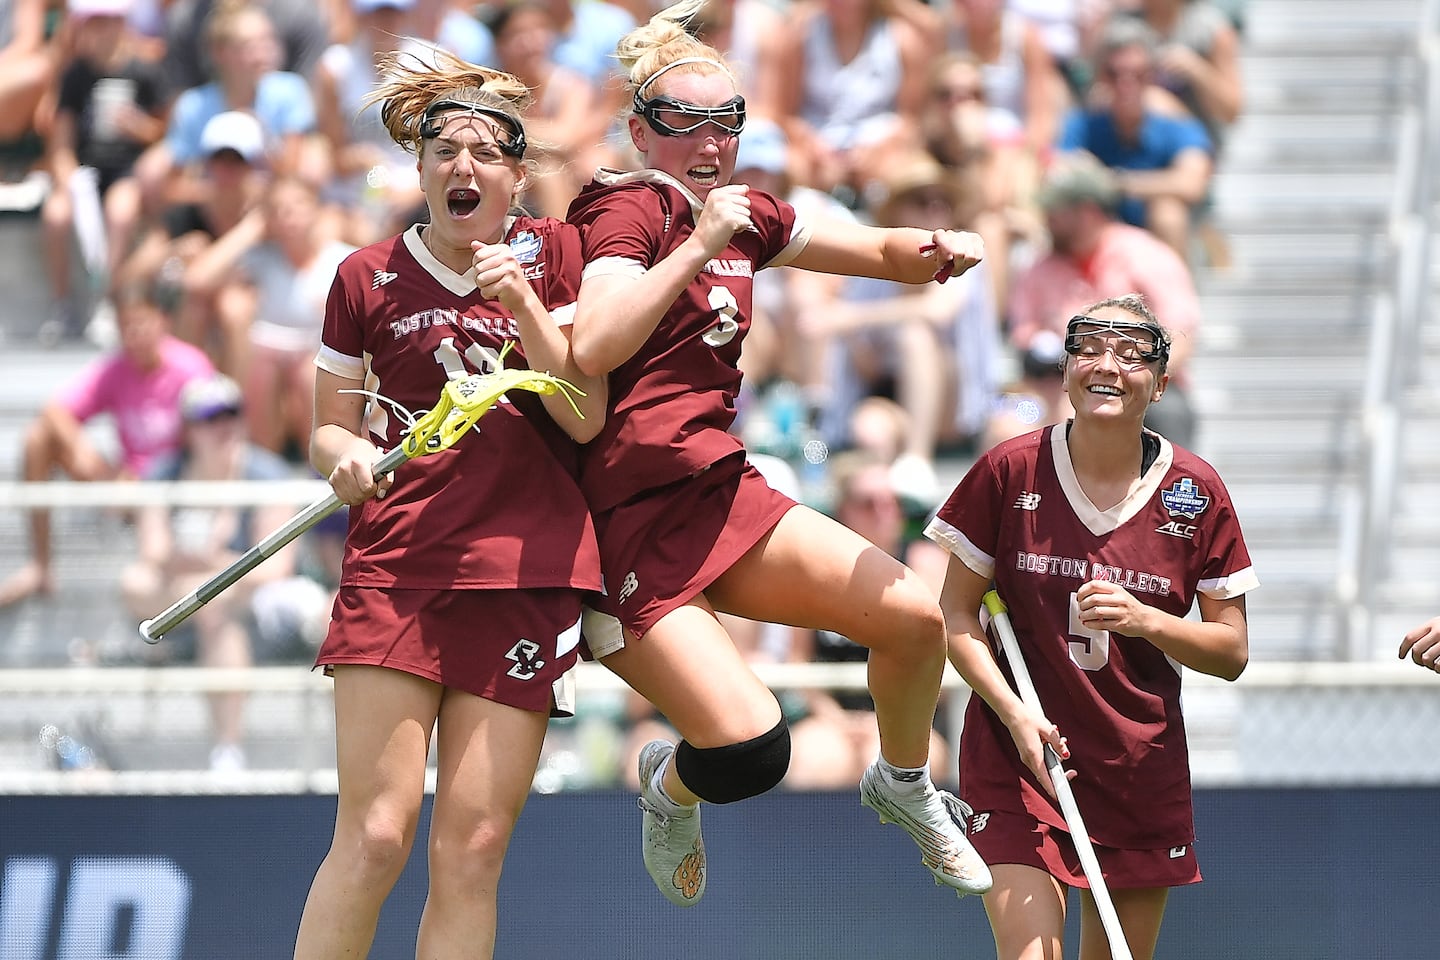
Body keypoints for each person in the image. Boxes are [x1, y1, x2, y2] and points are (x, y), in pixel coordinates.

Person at [564, 0, 992, 908]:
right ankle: (667, 786)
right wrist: (702, 244)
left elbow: (877, 250)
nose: (709, 140)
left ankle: (903, 782)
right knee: (753, 754)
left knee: (913, 621)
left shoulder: (744, 214)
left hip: (718, 491)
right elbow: (595, 342)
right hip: (623, 526)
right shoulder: (627, 207)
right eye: (683, 121)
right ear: (640, 132)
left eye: (727, 121)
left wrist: (934, 249)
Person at [292, 48, 606, 960]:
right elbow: (327, 431)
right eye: (444, 151)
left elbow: (584, 419)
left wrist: (525, 306)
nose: (463, 168)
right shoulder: (365, 276)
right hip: (398, 571)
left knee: (472, 849)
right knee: (375, 835)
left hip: (524, 575)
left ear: (516, 175)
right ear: (421, 167)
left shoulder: (560, 257)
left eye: (485, 154)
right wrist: (346, 455)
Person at [925, 294, 1256, 960]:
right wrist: (1015, 714)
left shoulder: (1197, 491)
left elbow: (1231, 651)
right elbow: (956, 613)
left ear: (1160, 385)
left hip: (1136, 769)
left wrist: (1146, 621)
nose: (1107, 365)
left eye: (1131, 355)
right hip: (1021, 759)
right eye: (1090, 349)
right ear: (1068, 368)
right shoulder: (1008, 469)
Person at [119, 372, 299, 771]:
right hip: (195, 594)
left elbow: (277, 569)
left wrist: (203, 564)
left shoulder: (267, 474)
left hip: (251, 606)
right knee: (134, 582)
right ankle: (225, 749)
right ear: (188, 428)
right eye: (210, 417)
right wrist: (217, 568)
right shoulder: (164, 473)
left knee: (217, 611)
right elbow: (152, 553)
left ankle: (228, 748)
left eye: (231, 413)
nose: (223, 426)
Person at [0, 273, 214, 608]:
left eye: (141, 323)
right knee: (37, 439)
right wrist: (96, 463)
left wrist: (152, 480)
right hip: (128, 484)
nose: (134, 334)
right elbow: (55, 410)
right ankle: (40, 564)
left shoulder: (192, 368)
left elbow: (215, 432)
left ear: (163, 320)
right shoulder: (117, 368)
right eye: (126, 326)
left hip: (181, 480)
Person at [1008, 149, 1201, 447]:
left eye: (1055, 211)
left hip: (1135, 391)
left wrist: (1123, 381)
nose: (1046, 219)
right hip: (1046, 393)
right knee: (1007, 419)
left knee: (1171, 413)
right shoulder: (1039, 266)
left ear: (1087, 211)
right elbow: (1023, 336)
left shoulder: (1144, 254)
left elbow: (1181, 336)